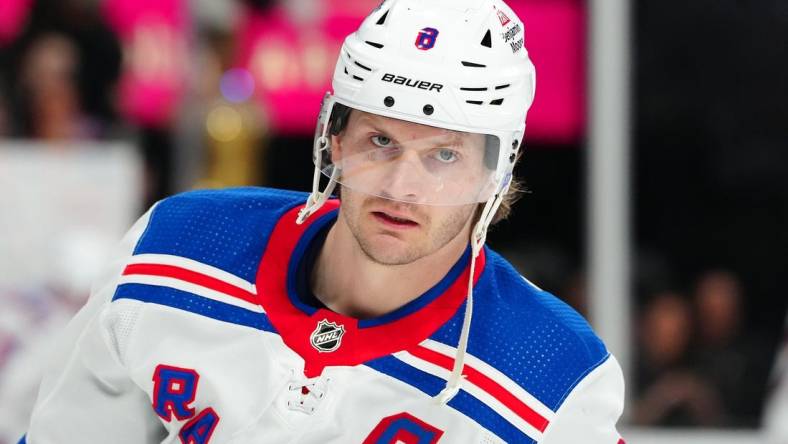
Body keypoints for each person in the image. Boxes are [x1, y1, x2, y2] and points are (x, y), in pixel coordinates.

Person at [21, 0, 625, 442]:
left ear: (497, 171)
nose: (400, 186)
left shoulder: (553, 373)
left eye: (444, 155)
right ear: (332, 139)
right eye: (380, 140)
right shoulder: (175, 250)